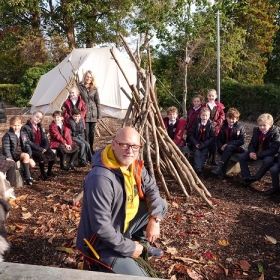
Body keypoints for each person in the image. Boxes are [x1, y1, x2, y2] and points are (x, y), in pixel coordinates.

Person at [76, 127, 167, 277]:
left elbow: (152, 190)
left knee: (160, 206)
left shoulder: (134, 164)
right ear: (113, 144)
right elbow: (101, 227)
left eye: (135, 146)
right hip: (99, 243)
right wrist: (129, 248)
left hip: (121, 226)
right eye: (124, 145)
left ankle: (141, 244)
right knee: (142, 278)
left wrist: (155, 219)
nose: (130, 151)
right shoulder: (100, 178)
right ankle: (117, 256)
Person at [239, 113, 280, 186]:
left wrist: (258, 155)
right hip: (256, 151)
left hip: (269, 153)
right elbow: (252, 143)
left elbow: (273, 150)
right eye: (260, 125)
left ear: (270, 124)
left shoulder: (275, 133)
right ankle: (247, 178)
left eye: (264, 125)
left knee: (268, 161)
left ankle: (256, 177)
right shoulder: (256, 130)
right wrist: (251, 152)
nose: (261, 127)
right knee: (241, 157)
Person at [211, 108, 246, 179]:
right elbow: (219, 138)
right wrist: (220, 146)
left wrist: (228, 144)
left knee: (228, 148)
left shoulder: (240, 127)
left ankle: (219, 167)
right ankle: (221, 172)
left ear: (237, 119)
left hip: (238, 147)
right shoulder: (224, 125)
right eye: (229, 118)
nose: (231, 120)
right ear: (226, 118)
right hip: (226, 148)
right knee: (227, 151)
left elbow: (242, 140)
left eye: (233, 119)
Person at [22, 110, 56, 181]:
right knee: (41, 156)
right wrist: (39, 149)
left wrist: (46, 147)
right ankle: (42, 173)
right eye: (37, 117)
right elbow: (28, 141)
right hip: (32, 148)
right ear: (32, 115)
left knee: (52, 155)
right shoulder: (26, 127)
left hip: (42, 146)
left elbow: (45, 138)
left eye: (40, 119)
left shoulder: (40, 126)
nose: (38, 119)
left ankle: (49, 171)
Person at [2, 116, 35, 186]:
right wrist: (9, 158)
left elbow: (27, 145)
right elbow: (6, 148)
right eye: (14, 125)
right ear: (10, 125)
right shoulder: (8, 135)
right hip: (13, 154)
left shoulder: (23, 133)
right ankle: (28, 177)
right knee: (26, 156)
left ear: (21, 125)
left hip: (21, 153)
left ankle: (24, 172)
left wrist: (30, 153)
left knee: (32, 164)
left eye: (18, 125)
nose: (16, 127)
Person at [78, 70, 101, 154]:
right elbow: (74, 97)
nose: (88, 78)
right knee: (86, 133)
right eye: (87, 76)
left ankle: (91, 149)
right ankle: (86, 151)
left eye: (90, 77)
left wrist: (99, 115)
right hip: (84, 114)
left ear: (92, 78)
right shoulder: (79, 87)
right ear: (84, 77)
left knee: (91, 134)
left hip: (93, 113)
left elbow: (97, 102)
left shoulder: (94, 88)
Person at [188, 107, 215, 174]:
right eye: (203, 115)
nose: (204, 117)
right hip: (196, 142)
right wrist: (195, 143)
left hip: (205, 144)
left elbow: (212, 137)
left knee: (204, 154)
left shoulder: (211, 124)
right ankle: (198, 168)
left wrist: (204, 145)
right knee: (197, 153)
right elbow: (190, 134)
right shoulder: (196, 123)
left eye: (206, 115)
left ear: (209, 116)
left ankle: (197, 167)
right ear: (200, 115)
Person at [203, 89, 225, 165]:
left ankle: (213, 159)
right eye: (209, 95)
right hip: (206, 126)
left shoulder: (219, 106)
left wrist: (217, 123)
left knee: (215, 143)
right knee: (206, 141)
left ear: (216, 96)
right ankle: (206, 158)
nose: (211, 97)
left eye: (213, 96)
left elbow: (222, 116)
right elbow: (202, 114)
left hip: (216, 127)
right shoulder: (204, 105)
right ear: (207, 96)